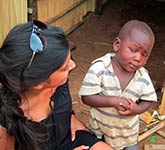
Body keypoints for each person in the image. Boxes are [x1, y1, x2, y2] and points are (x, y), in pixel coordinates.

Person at [0, 20, 113, 150]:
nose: (73, 65)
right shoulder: (6, 125)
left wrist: (71, 116)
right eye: (65, 68)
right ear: (39, 83)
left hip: (69, 136)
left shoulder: (57, 78)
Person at [79, 20, 157, 150]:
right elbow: (86, 97)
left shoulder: (143, 77)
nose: (138, 58)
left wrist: (136, 109)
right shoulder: (100, 68)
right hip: (100, 133)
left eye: (144, 55)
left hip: (128, 136)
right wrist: (112, 100)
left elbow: (148, 100)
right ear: (117, 45)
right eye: (133, 50)